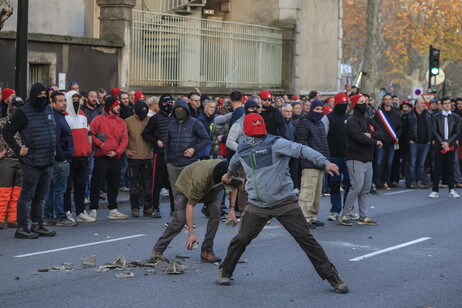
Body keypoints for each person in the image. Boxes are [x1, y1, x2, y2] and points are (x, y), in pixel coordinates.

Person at [215, 113, 347, 293]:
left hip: (284, 202)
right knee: (241, 239)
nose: (257, 136)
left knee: (306, 239)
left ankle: (332, 276)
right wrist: (228, 175)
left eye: (259, 131)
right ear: (246, 131)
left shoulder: (276, 143)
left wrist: (324, 163)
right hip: (257, 205)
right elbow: (234, 162)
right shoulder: (242, 149)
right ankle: (225, 271)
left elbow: (301, 150)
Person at [151, 159, 235, 263]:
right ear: (220, 177)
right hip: (186, 186)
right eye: (227, 179)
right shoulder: (200, 180)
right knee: (180, 220)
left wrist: (232, 209)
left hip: (210, 188)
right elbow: (190, 206)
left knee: (216, 212)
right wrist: (191, 234)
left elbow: (233, 187)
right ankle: (158, 250)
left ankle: (207, 251)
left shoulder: (230, 171)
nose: (229, 179)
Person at [2, 82, 57, 239]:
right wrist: (18, 149)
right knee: (26, 196)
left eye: (44, 95)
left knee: (40, 196)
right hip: (31, 162)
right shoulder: (23, 112)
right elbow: (7, 131)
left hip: (47, 160)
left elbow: (52, 131)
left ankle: (37, 225)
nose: (42, 98)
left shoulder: (48, 109)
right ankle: (21, 228)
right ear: (33, 96)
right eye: (39, 95)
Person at [339, 94, 383, 227]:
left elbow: (381, 132)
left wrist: (371, 135)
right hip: (355, 157)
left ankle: (363, 216)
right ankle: (345, 214)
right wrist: (375, 141)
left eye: (366, 101)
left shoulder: (368, 119)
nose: (365, 104)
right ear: (354, 104)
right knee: (356, 187)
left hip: (367, 157)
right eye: (362, 102)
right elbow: (358, 137)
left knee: (365, 189)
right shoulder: (352, 120)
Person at [89, 96, 129, 220]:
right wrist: (101, 145)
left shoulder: (121, 122)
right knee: (96, 184)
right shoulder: (98, 119)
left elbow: (125, 139)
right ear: (110, 107)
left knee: (113, 184)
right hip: (101, 157)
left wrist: (117, 152)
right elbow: (90, 134)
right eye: (116, 105)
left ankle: (113, 209)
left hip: (116, 157)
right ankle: (93, 209)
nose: (119, 107)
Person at [164, 99, 210, 197]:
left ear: (186, 109)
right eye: (177, 108)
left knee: (187, 194)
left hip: (188, 164)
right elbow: (167, 143)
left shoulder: (195, 123)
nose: (179, 111)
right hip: (172, 165)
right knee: (175, 193)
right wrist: (167, 161)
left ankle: (187, 212)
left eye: (181, 108)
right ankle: (177, 212)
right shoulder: (171, 125)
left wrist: (195, 149)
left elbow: (206, 139)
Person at [43, 92, 76, 227]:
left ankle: (49, 216)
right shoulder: (56, 118)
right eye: (60, 101)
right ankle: (60, 216)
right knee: (59, 189)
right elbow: (55, 141)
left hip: (58, 159)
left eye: (64, 100)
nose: (64, 103)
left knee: (52, 189)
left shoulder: (59, 117)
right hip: (60, 160)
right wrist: (62, 158)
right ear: (53, 103)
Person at [296, 99, 330, 228]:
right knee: (307, 192)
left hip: (320, 162)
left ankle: (312, 216)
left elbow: (324, 143)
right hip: (309, 162)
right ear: (311, 109)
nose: (319, 112)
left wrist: (326, 161)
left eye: (321, 110)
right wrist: (313, 157)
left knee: (316, 193)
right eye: (317, 109)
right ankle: (304, 218)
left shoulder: (320, 123)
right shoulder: (304, 123)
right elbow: (302, 143)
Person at [142, 94, 176, 218]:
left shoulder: (175, 118)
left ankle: (174, 209)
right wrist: (156, 141)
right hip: (159, 155)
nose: (169, 106)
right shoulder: (155, 118)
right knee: (156, 183)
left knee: (173, 183)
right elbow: (145, 134)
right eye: (167, 103)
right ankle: (155, 208)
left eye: (171, 103)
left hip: (172, 156)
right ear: (161, 104)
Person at [63, 91, 95, 223]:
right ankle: (67, 211)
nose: (76, 101)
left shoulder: (83, 115)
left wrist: (89, 148)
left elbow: (88, 132)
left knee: (81, 185)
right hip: (71, 157)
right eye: (73, 99)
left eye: (78, 98)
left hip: (83, 156)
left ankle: (81, 211)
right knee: (67, 187)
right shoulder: (64, 116)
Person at [322, 93, 350, 221]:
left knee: (349, 183)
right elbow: (323, 137)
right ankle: (335, 210)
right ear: (335, 104)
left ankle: (348, 209)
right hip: (334, 156)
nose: (343, 106)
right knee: (334, 184)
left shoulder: (350, 118)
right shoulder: (328, 118)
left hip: (349, 156)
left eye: (345, 104)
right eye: (341, 104)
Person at [125, 100, 154, 217]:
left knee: (148, 184)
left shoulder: (150, 120)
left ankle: (148, 207)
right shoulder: (128, 121)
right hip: (134, 158)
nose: (144, 112)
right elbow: (123, 138)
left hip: (147, 157)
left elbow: (154, 136)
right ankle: (135, 207)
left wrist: (153, 150)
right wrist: (126, 150)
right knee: (135, 184)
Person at [428, 97, 461, 198]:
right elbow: (434, 131)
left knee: (450, 168)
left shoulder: (456, 117)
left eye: (449, 103)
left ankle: (452, 190)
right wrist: (443, 142)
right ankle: (435, 190)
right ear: (441, 105)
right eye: (445, 103)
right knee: (437, 168)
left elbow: (457, 131)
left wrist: (448, 143)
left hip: (450, 146)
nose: (447, 105)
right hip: (439, 145)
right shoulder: (436, 117)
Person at [0, 97, 24, 229]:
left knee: (17, 193)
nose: (17, 109)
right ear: (9, 107)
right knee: (4, 192)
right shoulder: (2, 122)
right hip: (6, 160)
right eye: (15, 106)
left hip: (21, 160)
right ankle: (0, 218)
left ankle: (12, 219)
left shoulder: (25, 123)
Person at [372, 94, 402, 191]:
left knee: (389, 163)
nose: (388, 101)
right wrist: (377, 137)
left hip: (391, 143)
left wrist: (396, 136)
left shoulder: (396, 114)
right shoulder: (378, 114)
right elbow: (374, 126)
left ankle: (385, 182)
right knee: (378, 162)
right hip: (381, 143)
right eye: (386, 99)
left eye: (389, 99)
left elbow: (400, 127)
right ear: (383, 101)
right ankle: (375, 182)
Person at [403, 97, 432, 189]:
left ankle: (420, 181)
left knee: (421, 163)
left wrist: (430, 139)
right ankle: (412, 181)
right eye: (422, 103)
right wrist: (409, 139)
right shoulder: (409, 115)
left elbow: (432, 128)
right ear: (416, 105)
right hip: (414, 142)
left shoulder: (428, 114)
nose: (424, 104)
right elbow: (405, 129)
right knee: (412, 163)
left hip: (425, 143)